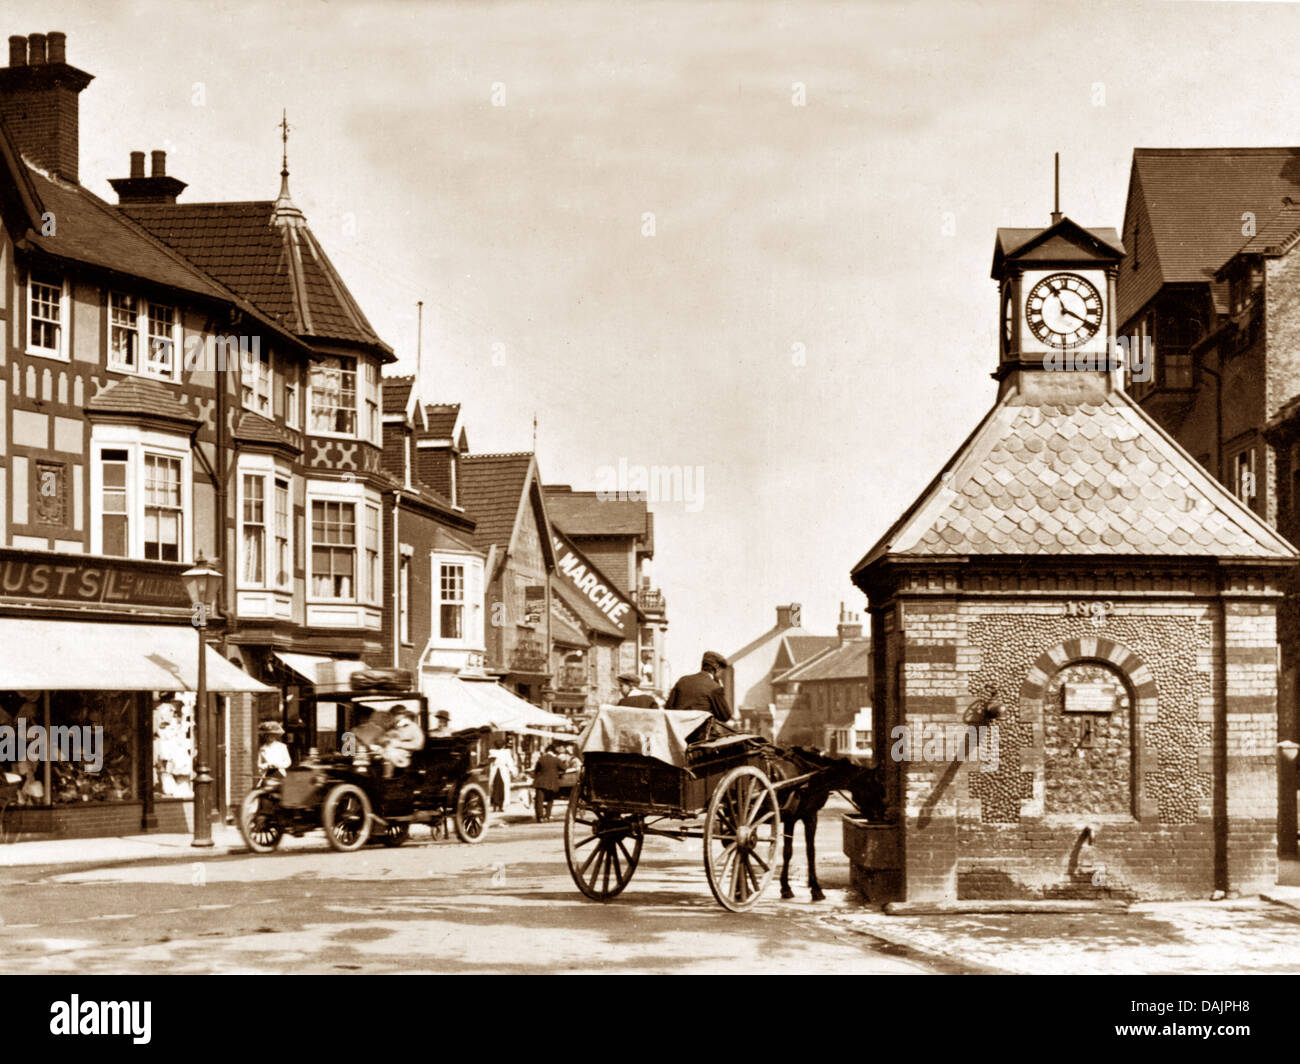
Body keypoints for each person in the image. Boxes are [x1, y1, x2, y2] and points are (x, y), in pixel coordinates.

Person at [664, 651, 732, 723]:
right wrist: (721, 691)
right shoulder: (714, 687)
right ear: (717, 669)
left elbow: (668, 708)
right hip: (701, 733)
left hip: (679, 732)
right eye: (721, 671)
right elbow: (725, 716)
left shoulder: (683, 680)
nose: (721, 675)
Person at [375, 703, 425, 773]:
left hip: (405, 757)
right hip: (387, 753)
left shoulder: (413, 727)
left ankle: (387, 778)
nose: (393, 718)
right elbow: (382, 739)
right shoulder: (391, 726)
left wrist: (399, 744)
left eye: (396, 715)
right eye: (393, 715)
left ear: (402, 715)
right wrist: (384, 740)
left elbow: (419, 745)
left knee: (389, 756)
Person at [531, 744, 566, 822]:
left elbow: (536, 770)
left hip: (540, 783)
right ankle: (547, 815)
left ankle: (540, 817)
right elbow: (564, 768)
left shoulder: (541, 759)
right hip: (552, 783)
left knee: (539, 800)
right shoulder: (556, 760)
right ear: (553, 752)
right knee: (550, 800)